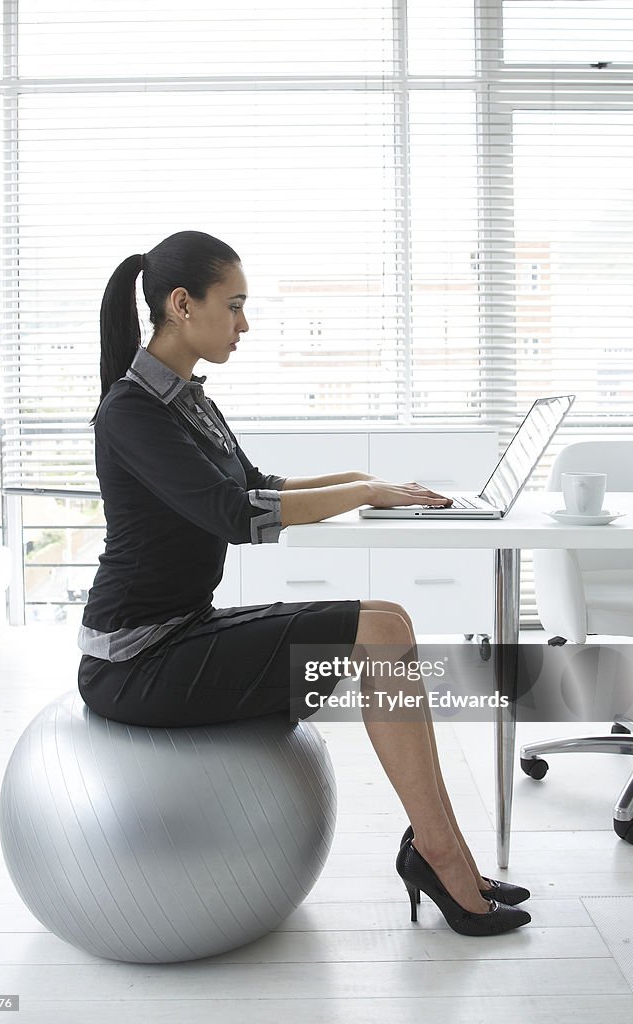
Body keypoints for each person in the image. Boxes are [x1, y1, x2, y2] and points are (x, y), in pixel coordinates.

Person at [77, 230, 531, 937]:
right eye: (234, 306)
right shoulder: (132, 412)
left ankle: (440, 849)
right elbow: (236, 516)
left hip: (178, 631)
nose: (244, 324)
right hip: (135, 661)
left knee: (392, 617)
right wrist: (365, 488)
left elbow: (253, 483)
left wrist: (364, 484)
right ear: (180, 304)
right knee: (378, 630)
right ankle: (441, 855)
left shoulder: (185, 398)